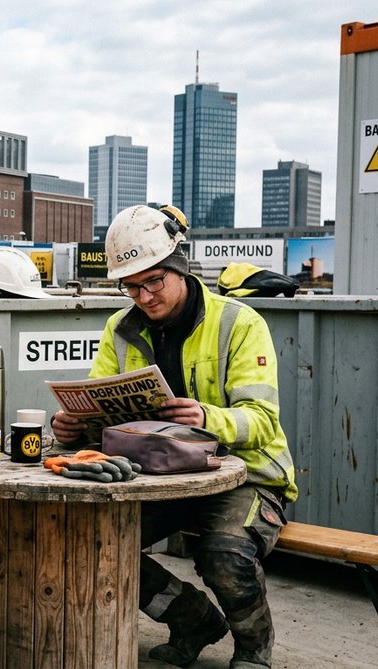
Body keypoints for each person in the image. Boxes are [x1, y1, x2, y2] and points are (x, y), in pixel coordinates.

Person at [51, 204, 296, 669]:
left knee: (224, 554)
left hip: (245, 477)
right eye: (130, 286)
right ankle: (192, 618)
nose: (142, 296)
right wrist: (74, 425)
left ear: (180, 268)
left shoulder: (239, 323)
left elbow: (262, 420)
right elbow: (101, 408)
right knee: (95, 542)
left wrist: (206, 417)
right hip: (157, 475)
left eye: (153, 281)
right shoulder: (120, 330)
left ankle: (254, 648)